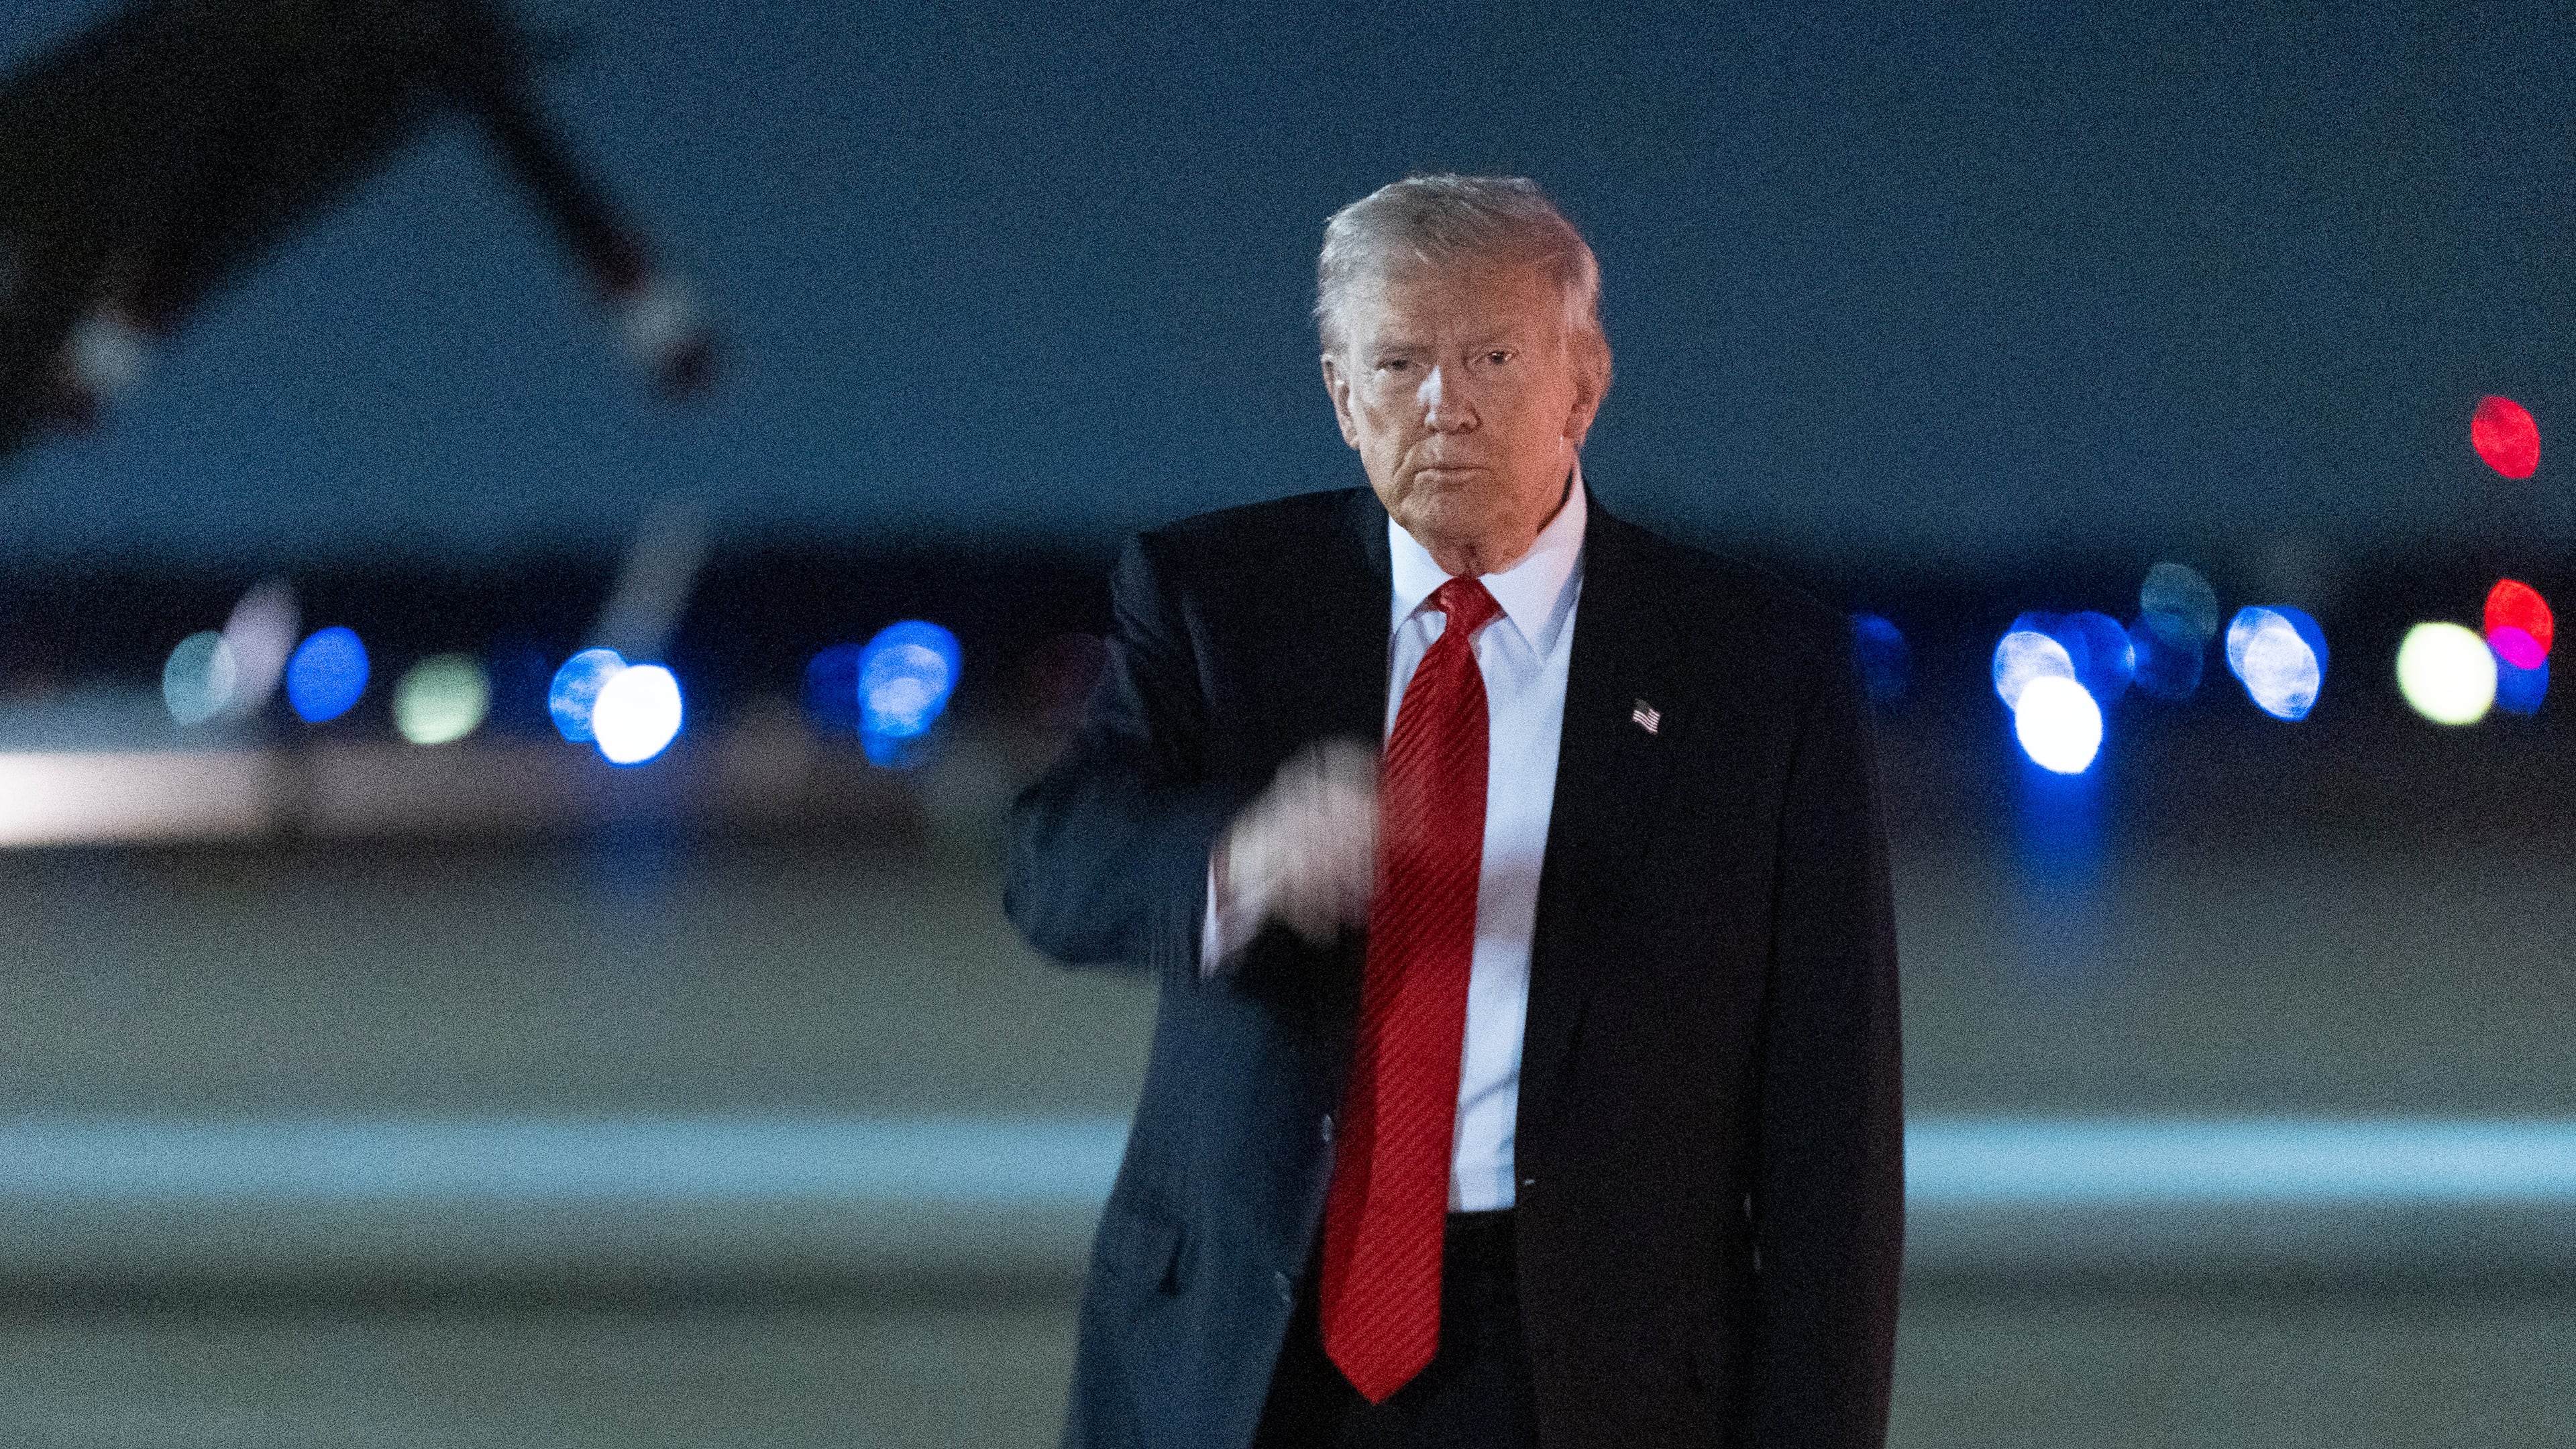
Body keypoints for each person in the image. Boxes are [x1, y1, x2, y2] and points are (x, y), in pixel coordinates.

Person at [1005, 173, 1902, 1449]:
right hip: (1249, 1359)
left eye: (1493, 357)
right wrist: (1242, 859)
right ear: (1341, 396)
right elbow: (1052, 870)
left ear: (1584, 384)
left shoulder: (1756, 668)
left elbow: (1833, 1137)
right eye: (1400, 363)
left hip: (1589, 1369)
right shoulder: (1214, 601)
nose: (1446, 403)